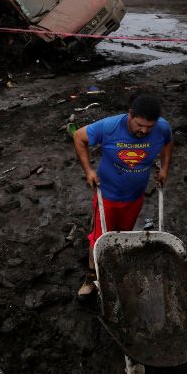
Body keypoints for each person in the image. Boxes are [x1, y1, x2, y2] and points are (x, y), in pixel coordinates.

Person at [72, 94, 173, 298]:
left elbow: (168, 142)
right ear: (130, 115)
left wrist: (164, 168)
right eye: (139, 125)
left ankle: (115, 268)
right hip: (107, 195)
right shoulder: (109, 127)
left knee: (122, 234)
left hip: (135, 196)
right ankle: (92, 277)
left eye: (149, 127)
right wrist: (88, 171)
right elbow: (79, 137)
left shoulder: (162, 127)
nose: (144, 131)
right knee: (99, 237)